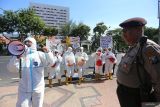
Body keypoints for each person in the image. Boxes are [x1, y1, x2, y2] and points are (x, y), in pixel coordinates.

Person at [116, 17, 160, 107]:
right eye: (122, 32)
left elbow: (158, 76)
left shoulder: (148, 48)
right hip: (126, 94)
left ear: (138, 30)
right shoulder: (135, 46)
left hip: (137, 97)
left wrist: (154, 103)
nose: (123, 35)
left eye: (125, 31)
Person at [7, 36, 56, 107]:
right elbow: (11, 69)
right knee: (22, 105)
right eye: (25, 43)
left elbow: (51, 63)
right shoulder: (20, 56)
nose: (27, 44)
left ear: (34, 44)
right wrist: (16, 57)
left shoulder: (40, 54)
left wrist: (48, 52)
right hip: (24, 89)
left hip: (38, 88)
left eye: (29, 42)